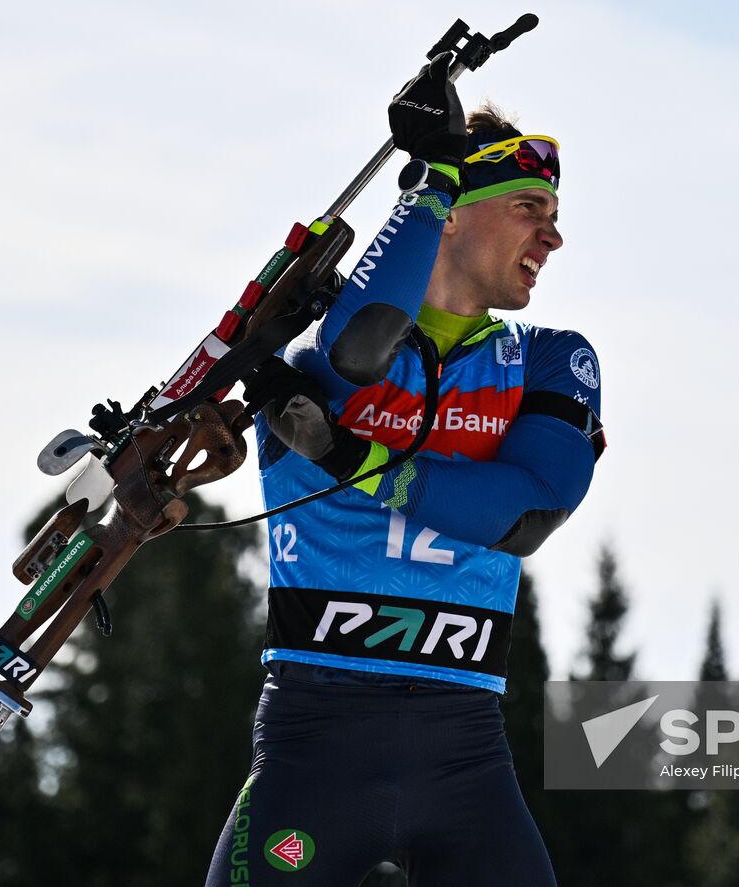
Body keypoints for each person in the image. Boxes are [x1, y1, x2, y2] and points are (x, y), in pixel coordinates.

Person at [205, 52, 604, 886]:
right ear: (454, 216)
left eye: (555, 213)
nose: (554, 234)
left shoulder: (548, 360)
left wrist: (361, 462)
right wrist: (430, 181)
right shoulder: (308, 344)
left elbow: (527, 510)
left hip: (466, 754)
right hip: (314, 743)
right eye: (529, 207)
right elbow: (357, 348)